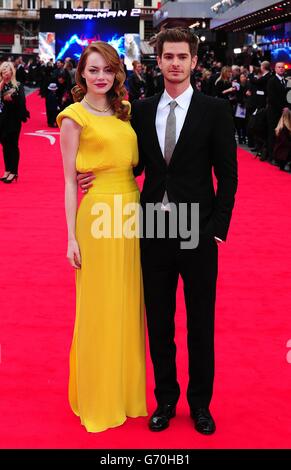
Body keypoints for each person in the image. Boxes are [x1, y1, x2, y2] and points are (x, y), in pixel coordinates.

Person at [78, 28, 238, 435]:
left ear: (194, 61)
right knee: (160, 324)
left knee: (201, 323)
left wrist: (216, 229)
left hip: (197, 233)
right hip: (152, 231)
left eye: (182, 56)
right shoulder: (142, 109)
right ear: (159, 60)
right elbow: (137, 164)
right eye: (168, 56)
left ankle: (200, 404)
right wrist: (99, 175)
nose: (175, 63)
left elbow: (228, 176)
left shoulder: (215, 111)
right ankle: (165, 399)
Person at [56, 42, 147, 433]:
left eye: (107, 70)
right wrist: (71, 238)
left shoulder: (124, 112)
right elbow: (68, 183)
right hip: (96, 219)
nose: (100, 77)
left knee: (128, 304)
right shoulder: (73, 117)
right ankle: (97, 395)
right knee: (99, 307)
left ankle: (126, 392)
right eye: (93, 70)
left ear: (116, 74)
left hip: (131, 213)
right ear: (82, 74)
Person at [0, 61, 29, 183]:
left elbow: (22, 104)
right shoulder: (0, 85)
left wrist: (12, 99)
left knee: (13, 145)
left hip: (13, 120)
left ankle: (14, 172)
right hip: (1, 120)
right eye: (3, 71)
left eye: (8, 71)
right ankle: (7, 170)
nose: (6, 74)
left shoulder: (17, 85)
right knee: (5, 146)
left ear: (12, 72)